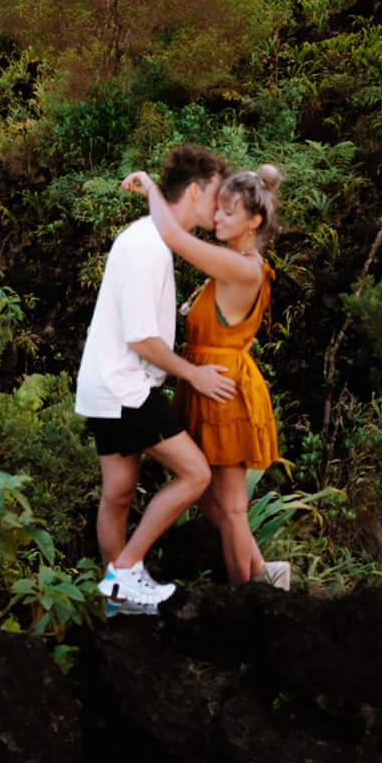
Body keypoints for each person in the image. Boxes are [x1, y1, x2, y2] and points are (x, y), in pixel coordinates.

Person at [75, 143, 236, 609]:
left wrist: (146, 183)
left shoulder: (147, 237)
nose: (220, 207)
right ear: (192, 192)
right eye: (216, 197)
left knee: (119, 493)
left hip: (104, 386)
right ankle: (126, 570)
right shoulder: (149, 248)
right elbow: (144, 340)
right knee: (195, 473)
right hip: (125, 387)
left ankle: (117, 596)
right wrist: (195, 376)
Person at [120, 163, 288, 589]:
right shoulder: (231, 264)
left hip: (222, 391)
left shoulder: (244, 268)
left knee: (230, 508)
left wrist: (153, 188)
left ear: (255, 221)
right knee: (214, 503)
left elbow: (175, 238)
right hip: (208, 382)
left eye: (228, 213)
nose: (217, 219)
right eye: (219, 210)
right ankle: (266, 576)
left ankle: (246, 601)